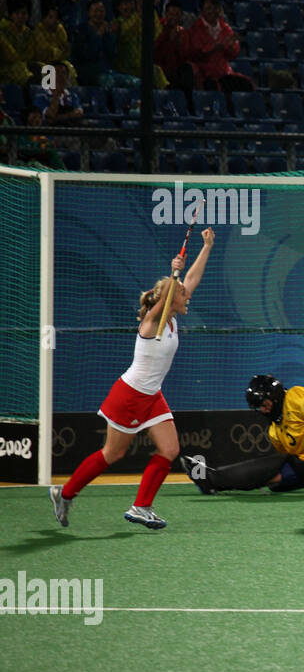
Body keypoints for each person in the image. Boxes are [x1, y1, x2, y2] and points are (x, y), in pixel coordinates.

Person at [51, 227, 216, 530]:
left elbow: (190, 281)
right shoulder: (151, 323)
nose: (187, 295)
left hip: (152, 395)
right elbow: (168, 296)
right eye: (181, 294)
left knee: (170, 450)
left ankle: (141, 506)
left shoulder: (174, 319)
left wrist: (206, 247)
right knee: (113, 453)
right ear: (169, 299)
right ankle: (64, 493)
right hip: (129, 394)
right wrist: (172, 275)